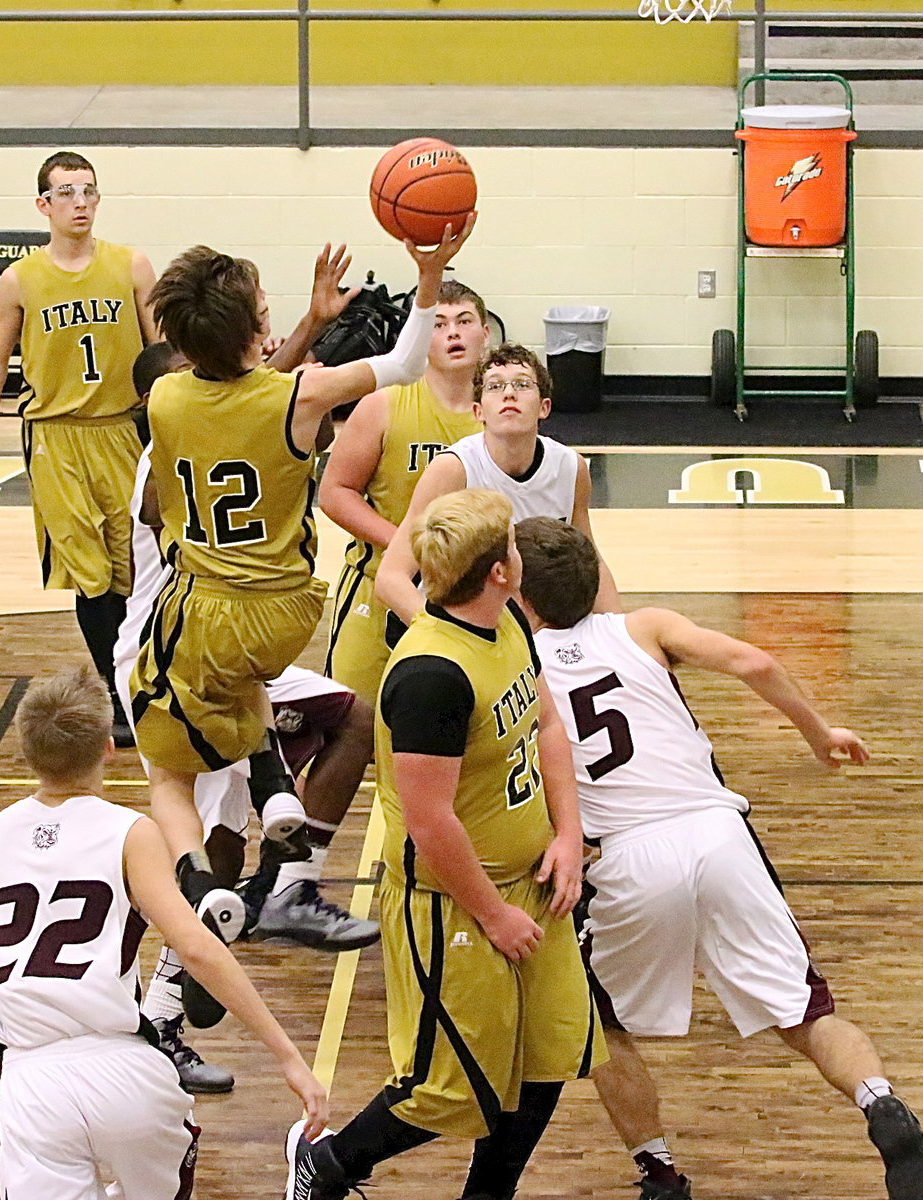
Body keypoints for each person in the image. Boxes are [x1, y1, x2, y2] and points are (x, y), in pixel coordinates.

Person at [512, 516, 923, 1200]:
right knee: (805, 1012)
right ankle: (880, 1103)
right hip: (717, 833)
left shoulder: (515, 663)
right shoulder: (643, 627)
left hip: (625, 857)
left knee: (597, 1027)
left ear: (520, 596)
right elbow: (755, 661)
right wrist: (817, 732)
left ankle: (658, 1173)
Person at [129, 221, 474, 1027]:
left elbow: (230, 396)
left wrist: (297, 333)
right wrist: (428, 277)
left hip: (202, 611)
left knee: (170, 777)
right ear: (256, 330)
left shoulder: (167, 398)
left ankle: (200, 893)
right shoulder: (295, 396)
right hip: (286, 610)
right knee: (259, 694)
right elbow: (389, 365)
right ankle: (277, 797)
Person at [285, 489, 606, 1200]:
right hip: (453, 908)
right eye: (512, 549)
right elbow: (430, 823)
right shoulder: (431, 675)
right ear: (498, 571)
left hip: (534, 884)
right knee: (447, 1088)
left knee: (545, 1062)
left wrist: (566, 831)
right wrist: (492, 913)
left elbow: (546, 724)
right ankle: (327, 1165)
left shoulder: (506, 626)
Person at [113, 337, 379, 1092]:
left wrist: (293, 344)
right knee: (210, 850)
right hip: (173, 657)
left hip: (218, 643)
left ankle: (285, 882)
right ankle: (158, 1012)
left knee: (353, 718)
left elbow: (258, 394)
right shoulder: (163, 459)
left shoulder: (214, 412)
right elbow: (257, 407)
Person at [0, 665, 327, 1200]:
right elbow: (198, 948)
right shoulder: (129, 831)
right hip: (123, 1071)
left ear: (25, 750)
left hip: (28, 1079)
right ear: (108, 749)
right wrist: (288, 1056)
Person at [0, 151, 157, 745]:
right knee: (89, 575)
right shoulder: (20, 279)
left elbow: (165, 354)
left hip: (124, 430)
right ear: (43, 204)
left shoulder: (132, 265)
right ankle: (115, 691)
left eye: (89, 191)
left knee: (133, 571)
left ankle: (138, 678)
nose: (80, 202)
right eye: (67, 192)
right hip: (56, 438)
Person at [318, 279, 490, 706]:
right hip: (378, 586)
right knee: (350, 728)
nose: (452, 332)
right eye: (438, 323)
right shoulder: (384, 403)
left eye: (464, 321)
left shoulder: (500, 414)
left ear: (485, 335)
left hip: (471, 596)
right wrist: (405, 545)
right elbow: (335, 492)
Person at [374, 342, 619, 630]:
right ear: (478, 411)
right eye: (495, 386)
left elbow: (591, 564)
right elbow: (390, 577)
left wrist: (617, 635)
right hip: (456, 622)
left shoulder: (570, 467)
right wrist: (442, 636)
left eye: (522, 384)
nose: (509, 393)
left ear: (544, 407)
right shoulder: (453, 469)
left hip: (532, 627)